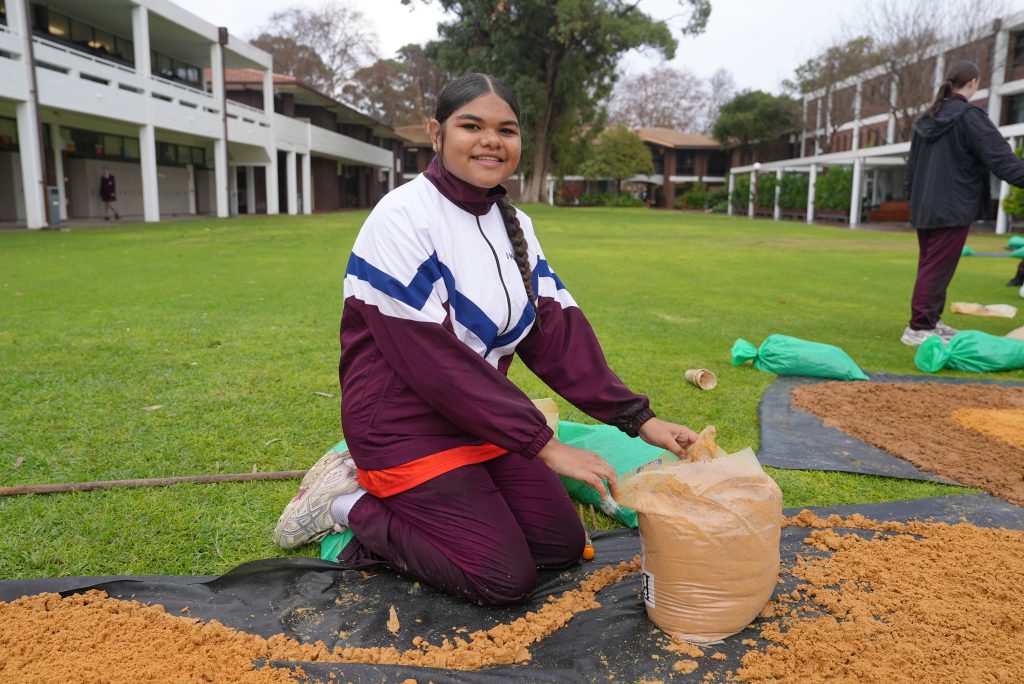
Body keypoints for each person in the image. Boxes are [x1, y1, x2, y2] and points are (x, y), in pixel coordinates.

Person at [273, 73, 698, 606]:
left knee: (561, 547)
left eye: (507, 129)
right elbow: (434, 365)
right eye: (471, 125)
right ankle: (348, 504)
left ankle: (450, 503)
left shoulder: (512, 222)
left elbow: (553, 332)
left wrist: (641, 420)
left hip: (480, 421)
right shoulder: (401, 218)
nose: (491, 140)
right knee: (502, 577)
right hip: (404, 428)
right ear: (436, 133)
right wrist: (544, 444)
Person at [901, 60, 1024, 346]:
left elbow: (912, 168)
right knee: (936, 266)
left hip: (926, 205)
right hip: (952, 206)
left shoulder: (927, 118)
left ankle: (930, 321)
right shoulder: (970, 116)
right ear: (973, 84)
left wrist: (913, 200)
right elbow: (1001, 159)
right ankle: (919, 328)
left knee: (931, 264)